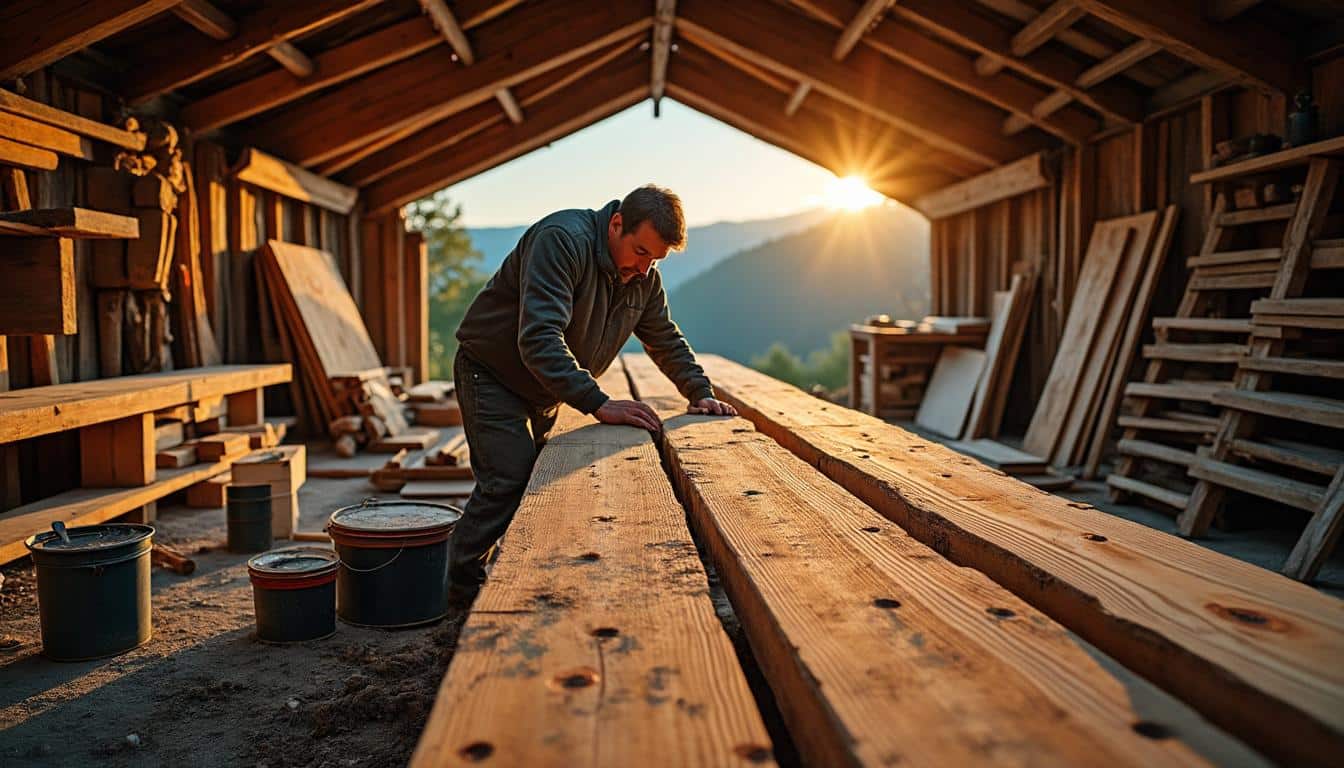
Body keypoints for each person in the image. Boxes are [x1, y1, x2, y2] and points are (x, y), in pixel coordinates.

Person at [449, 184, 736, 604]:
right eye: (640, 252)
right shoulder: (562, 241)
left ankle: (497, 575)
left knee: (535, 478)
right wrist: (599, 404)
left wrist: (699, 391)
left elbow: (663, 338)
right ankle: (455, 591)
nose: (644, 268)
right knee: (505, 480)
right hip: (491, 373)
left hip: (542, 386)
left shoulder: (643, 278)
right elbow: (539, 338)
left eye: (655, 260)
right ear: (616, 223)